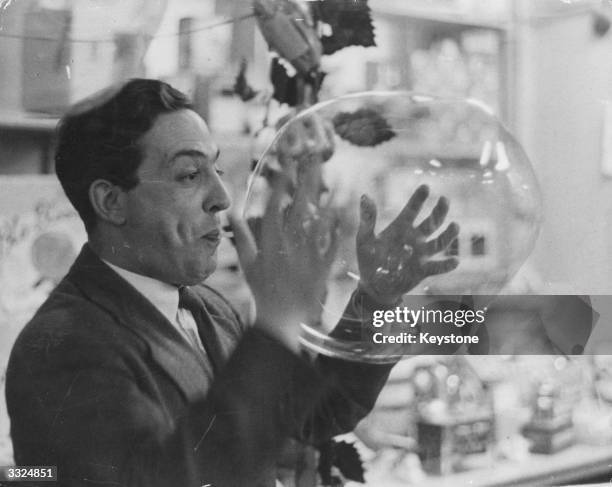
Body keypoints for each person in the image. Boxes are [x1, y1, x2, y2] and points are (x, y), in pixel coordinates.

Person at [5, 79, 459, 487]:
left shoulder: (207, 307)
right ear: (110, 201)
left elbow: (310, 418)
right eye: (189, 174)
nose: (221, 198)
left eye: (216, 170)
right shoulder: (61, 344)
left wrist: (377, 299)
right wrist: (278, 322)